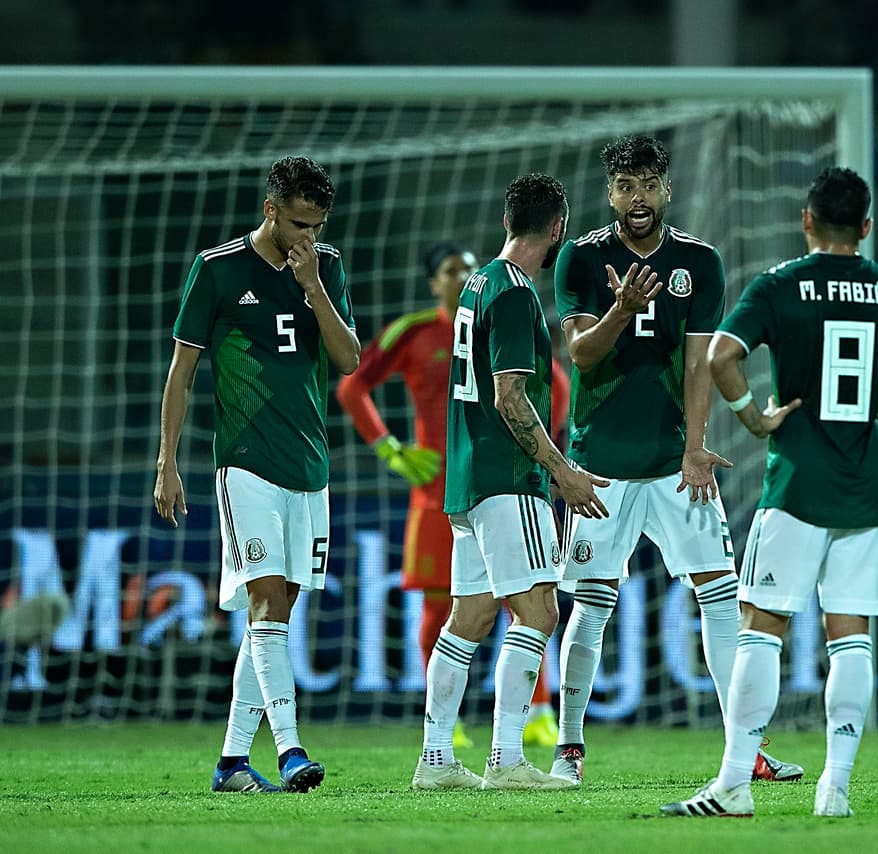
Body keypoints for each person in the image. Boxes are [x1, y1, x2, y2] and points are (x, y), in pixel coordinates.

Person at [660, 167, 878, 818]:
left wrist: (755, 417)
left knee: (760, 625)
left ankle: (732, 786)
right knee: (851, 634)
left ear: (806, 221)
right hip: (868, 485)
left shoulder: (782, 286)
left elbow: (720, 355)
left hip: (799, 480)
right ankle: (835, 787)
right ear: (866, 227)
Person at [549, 134, 801, 784]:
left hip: (673, 467)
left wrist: (695, 448)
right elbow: (580, 355)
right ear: (610, 194)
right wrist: (622, 310)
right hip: (598, 466)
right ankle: (569, 748)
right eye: (625, 187)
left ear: (667, 188)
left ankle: (745, 750)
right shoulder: (580, 259)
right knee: (591, 604)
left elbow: (698, 361)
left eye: (648, 185)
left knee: (720, 597)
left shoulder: (700, 262)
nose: (637, 198)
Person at [153, 155, 360, 793]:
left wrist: (315, 286)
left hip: (310, 464)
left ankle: (231, 763)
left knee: (275, 614)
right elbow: (182, 373)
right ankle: (291, 750)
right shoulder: (216, 270)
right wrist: (168, 461)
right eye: (299, 223)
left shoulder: (327, 268)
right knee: (267, 600)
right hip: (244, 461)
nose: (308, 236)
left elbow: (349, 359)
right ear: (271, 209)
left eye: (318, 225)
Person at [410, 173, 610, 792]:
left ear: (506, 221)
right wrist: (562, 471)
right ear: (558, 229)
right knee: (540, 610)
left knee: (466, 618)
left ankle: (436, 759)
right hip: (507, 477)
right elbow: (510, 396)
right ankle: (506, 760)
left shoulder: (475, 286)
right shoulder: (518, 293)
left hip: (466, 479)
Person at [336, 242, 570, 749]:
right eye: (450, 270)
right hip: (436, 491)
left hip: (497, 481)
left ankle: (538, 712)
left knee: (526, 599)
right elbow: (351, 387)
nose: (463, 275)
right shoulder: (415, 333)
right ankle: (451, 727)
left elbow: (557, 384)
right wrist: (391, 450)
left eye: (468, 266)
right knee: (450, 607)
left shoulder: (493, 315)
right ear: (432, 282)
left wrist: (538, 450)